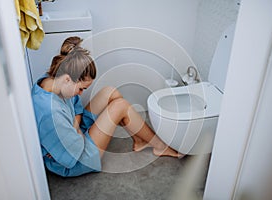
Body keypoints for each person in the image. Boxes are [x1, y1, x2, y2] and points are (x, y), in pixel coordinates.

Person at [31, 36, 183, 177]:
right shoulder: (50, 112)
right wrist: (79, 132)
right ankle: (159, 146)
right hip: (78, 159)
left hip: (76, 135)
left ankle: (140, 140)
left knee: (110, 92)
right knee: (120, 106)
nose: (80, 94)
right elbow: (72, 155)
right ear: (67, 79)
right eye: (81, 88)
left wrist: (75, 126)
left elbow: (76, 107)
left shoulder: (50, 80)